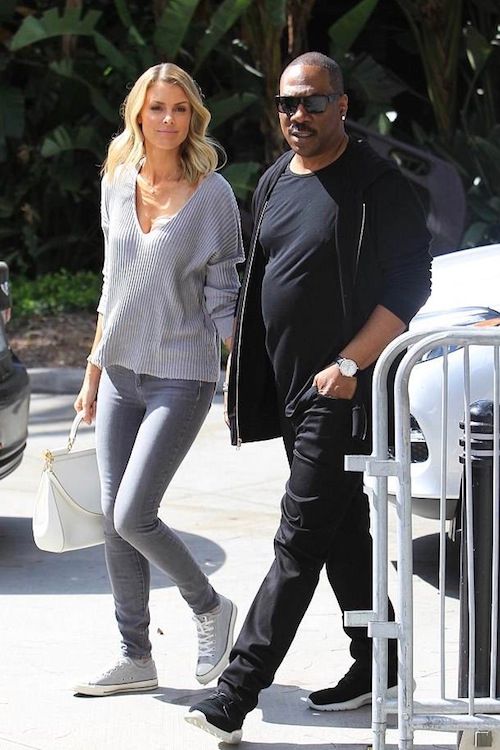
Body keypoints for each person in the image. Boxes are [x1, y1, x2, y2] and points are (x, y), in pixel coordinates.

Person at [185, 51, 432, 743]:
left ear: (342, 105)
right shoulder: (273, 180)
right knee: (341, 533)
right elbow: (266, 276)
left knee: (298, 539)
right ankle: (380, 662)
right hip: (293, 389)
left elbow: (410, 288)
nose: (299, 114)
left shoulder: (376, 185)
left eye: (313, 102)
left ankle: (235, 693)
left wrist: (350, 363)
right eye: (288, 103)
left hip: (343, 391)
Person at [73, 63, 243, 697]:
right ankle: (135, 656)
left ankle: (209, 606)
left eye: (179, 108)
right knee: (113, 519)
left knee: (133, 513)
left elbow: (225, 290)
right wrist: (93, 370)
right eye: (156, 108)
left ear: (193, 116)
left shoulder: (214, 194)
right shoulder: (117, 181)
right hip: (120, 369)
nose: (168, 119)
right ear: (138, 115)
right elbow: (112, 284)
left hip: (183, 372)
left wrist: (244, 371)